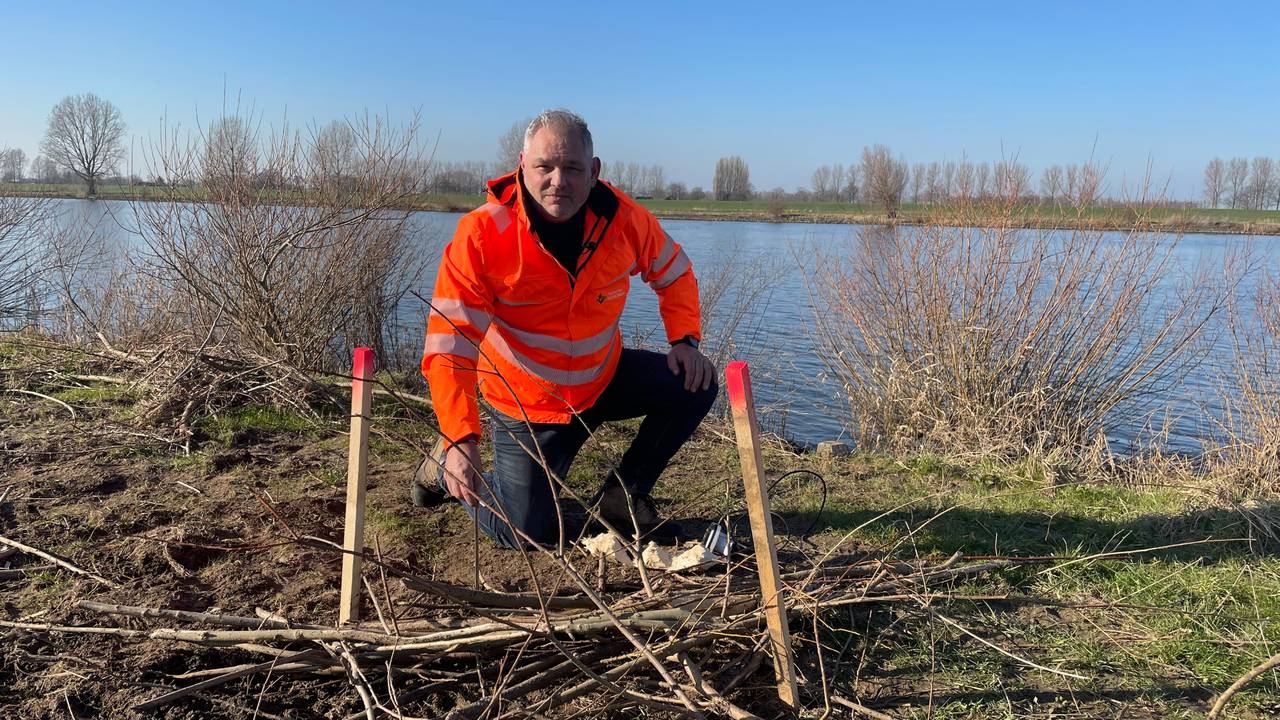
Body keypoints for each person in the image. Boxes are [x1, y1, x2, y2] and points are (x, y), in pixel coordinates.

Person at [414, 108, 717, 549]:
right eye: (545, 166)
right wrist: (459, 436)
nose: (559, 180)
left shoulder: (624, 219)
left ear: (594, 172)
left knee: (697, 382)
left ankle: (622, 499)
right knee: (529, 536)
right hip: (529, 404)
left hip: (601, 379)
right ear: (523, 165)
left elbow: (675, 273)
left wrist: (685, 340)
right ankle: (442, 465)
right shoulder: (483, 234)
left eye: (573, 168)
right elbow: (449, 346)